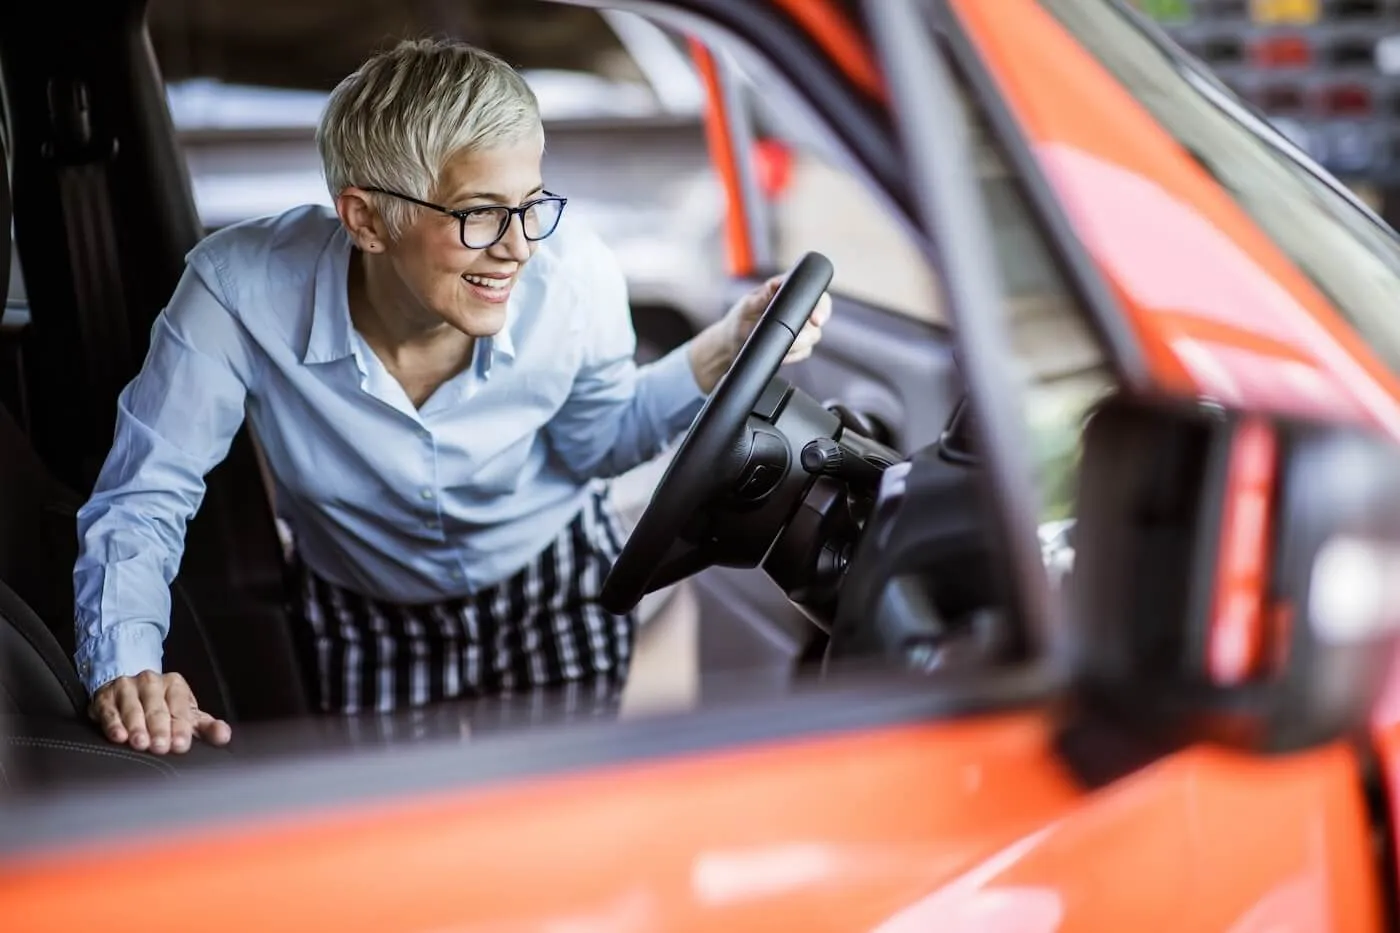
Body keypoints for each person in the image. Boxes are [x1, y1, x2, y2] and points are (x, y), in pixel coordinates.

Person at [71, 37, 830, 755]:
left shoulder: (575, 277)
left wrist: (725, 344)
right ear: (366, 218)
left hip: (552, 581)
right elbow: (146, 493)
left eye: (532, 202)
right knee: (405, 845)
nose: (520, 245)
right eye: (479, 213)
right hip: (365, 611)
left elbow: (596, 444)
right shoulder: (236, 289)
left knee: (551, 822)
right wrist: (126, 661)